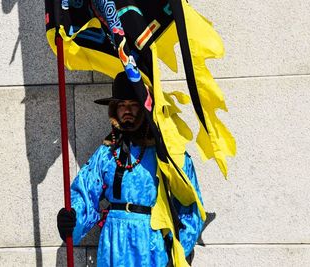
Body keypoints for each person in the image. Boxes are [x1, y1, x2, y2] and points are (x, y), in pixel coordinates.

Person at [57, 72, 204, 266]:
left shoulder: (166, 151)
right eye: (122, 105)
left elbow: (190, 203)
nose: (127, 110)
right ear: (114, 110)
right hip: (113, 242)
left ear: (144, 108)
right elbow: (84, 191)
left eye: (133, 105)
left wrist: (175, 252)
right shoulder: (107, 153)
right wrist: (72, 216)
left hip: (150, 241)